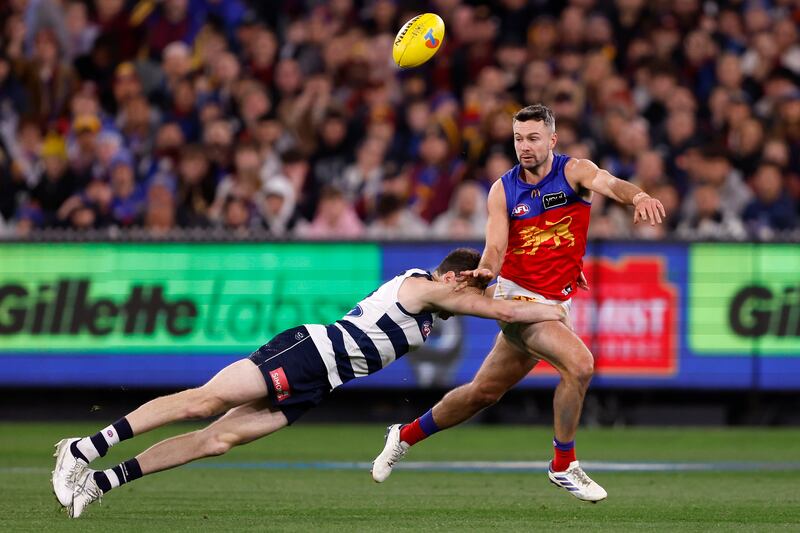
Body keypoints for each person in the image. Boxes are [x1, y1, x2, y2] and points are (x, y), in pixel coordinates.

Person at [52, 248, 568, 518]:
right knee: (202, 401)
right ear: (456, 277)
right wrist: (554, 307)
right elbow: (493, 306)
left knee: (219, 439)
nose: (475, 295)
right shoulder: (427, 286)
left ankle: (98, 483)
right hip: (307, 353)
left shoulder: (434, 304)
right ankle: (83, 449)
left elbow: (485, 303)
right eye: (472, 283)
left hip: (318, 384)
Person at [371, 104, 666, 502]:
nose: (524, 147)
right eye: (518, 139)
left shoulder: (575, 171)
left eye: (533, 138)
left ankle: (404, 435)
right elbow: (494, 248)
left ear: (551, 140)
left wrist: (640, 195)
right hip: (518, 298)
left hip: (556, 298)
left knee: (482, 393)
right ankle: (564, 464)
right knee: (580, 366)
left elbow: (611, 184)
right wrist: (486, 271)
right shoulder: (502, 189)